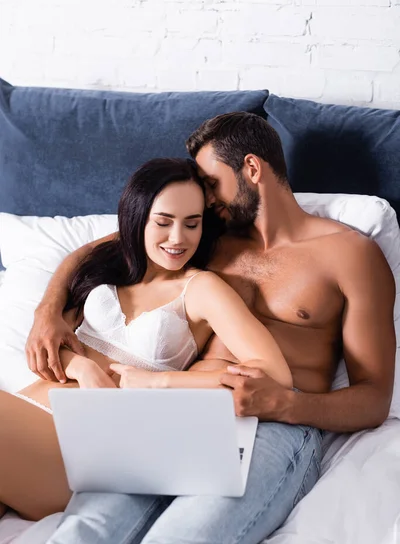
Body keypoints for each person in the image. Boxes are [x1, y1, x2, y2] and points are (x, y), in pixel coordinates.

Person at [27, 112, 395, 544]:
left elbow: (373, 398)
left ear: (252, 169)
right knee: (85, 531)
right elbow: (98, 248)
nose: (204, 195)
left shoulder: (350, 255)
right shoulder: (206, 235)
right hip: (177, 410)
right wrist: (47, 311)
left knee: (185, 537)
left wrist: (285, 405)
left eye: (211, 181)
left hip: (276, 426)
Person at [0, 157, 294, 523]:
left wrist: (161, 380)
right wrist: (84, 368)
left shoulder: (201, 288)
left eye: (192, 224)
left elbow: (275, 375)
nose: (177, 238)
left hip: (86, 446)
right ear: (138, 217)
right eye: (164, 222)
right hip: (27, 411)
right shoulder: (109, 265)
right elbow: (51, 347)